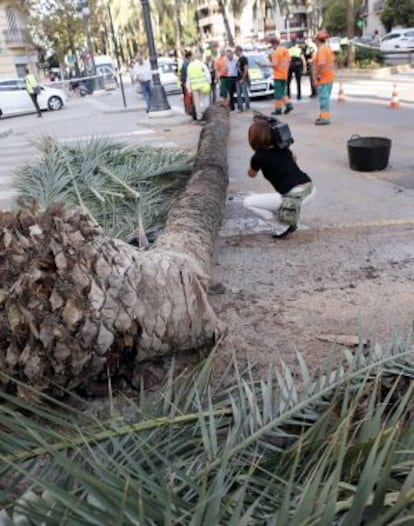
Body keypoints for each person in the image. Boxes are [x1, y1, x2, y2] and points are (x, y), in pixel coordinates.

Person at [243, 117, 316, 239]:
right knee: (279, 197)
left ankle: (282, 226)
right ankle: (290, 221)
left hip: (294, 197)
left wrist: (254, 163)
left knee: (248, 203)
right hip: (310, 190)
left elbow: (251, 174)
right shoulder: (284, 149)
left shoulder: (258, 157)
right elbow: (294, 159)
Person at [313, 28, 335, 125]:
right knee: (325, 99)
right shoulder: (327, 48)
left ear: (318, 40)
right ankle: (323, 116)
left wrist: (317, 74)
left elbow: (321, 63)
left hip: (323, 78)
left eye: (315, 40)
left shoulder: (321, 49)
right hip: (328, 77)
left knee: (324, 100)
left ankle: (325, 119)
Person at [267, 37, 293, 115]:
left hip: (278, 76)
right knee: (283, 93)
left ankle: (278, 109)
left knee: (278, 94)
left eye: (271, 45)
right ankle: (289, 105)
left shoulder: (276, 53)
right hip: (285, 75)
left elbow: (274, 64)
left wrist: (266, 64)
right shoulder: (285, 50)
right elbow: (289, 60)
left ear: (273, 44)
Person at [186, 51, 211, 122]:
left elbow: (188, 79)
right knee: (205, 102)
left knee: (197, 104)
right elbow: (207, 75)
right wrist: (209, 83)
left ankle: (199, 117)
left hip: (194, 88)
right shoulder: (201, 64)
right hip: (203, 86)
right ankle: (207, 116)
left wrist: (189, 90)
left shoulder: (189, 66)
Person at [234, 45, 250, 112]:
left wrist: (243, 78)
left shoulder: (244, 59)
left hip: (243, 79)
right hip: (238, 79)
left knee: (244, 93)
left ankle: (247, 107)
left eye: (236, 52)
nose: (235, 53)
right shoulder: (239, 59)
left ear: (239, 51)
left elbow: (246, 69)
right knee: (238, 94)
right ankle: (240, 108)